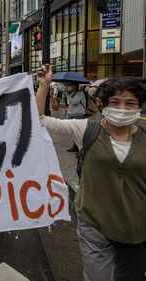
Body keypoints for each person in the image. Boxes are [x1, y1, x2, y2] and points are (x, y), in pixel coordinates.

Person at [36, 64, 145, 281]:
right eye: (114, 102)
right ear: (101, 104)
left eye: (130, 103)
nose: (122, 108)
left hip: (137, 228)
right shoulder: (86, 129)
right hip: (94, 223)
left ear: (139, 107)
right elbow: (40, 119)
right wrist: (45, 83)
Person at [64, 82, 87, 153]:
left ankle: (81, 147)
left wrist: (67, 95)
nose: (67, 86)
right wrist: (68, 114)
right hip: (72, 115)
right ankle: (75, 146)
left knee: (79, 132)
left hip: (79, 115)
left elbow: (74, 102)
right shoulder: (72, 93)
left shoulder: (80, 93)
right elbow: (70, 105)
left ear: (74, 86)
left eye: (68, 85)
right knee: (73, 132)